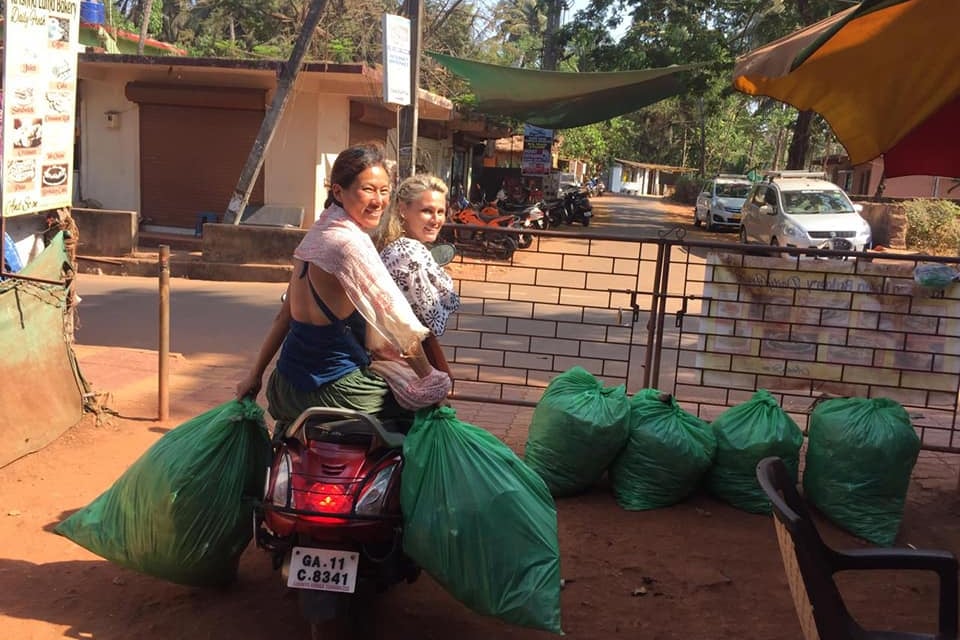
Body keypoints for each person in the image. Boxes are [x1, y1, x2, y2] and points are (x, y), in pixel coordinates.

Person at [235, 143, 450, 433]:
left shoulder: (313, 237)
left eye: (384, 191)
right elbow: (397, 323)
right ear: (338, 192)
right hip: (339, 391)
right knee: (419, 424)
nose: (379, 201)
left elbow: (284, 317)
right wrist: (431, 381)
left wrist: (255, 376)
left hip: (284, 389)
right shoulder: (351, 244)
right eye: (368, 190)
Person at [375, 174, 461, 376]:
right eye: (426, 211)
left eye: (441, 212)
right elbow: (429, 320)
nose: (436, 219)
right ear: (403, 209)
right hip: (405, 361)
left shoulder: (393, 244)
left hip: (392, 356)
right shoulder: (408, 252)